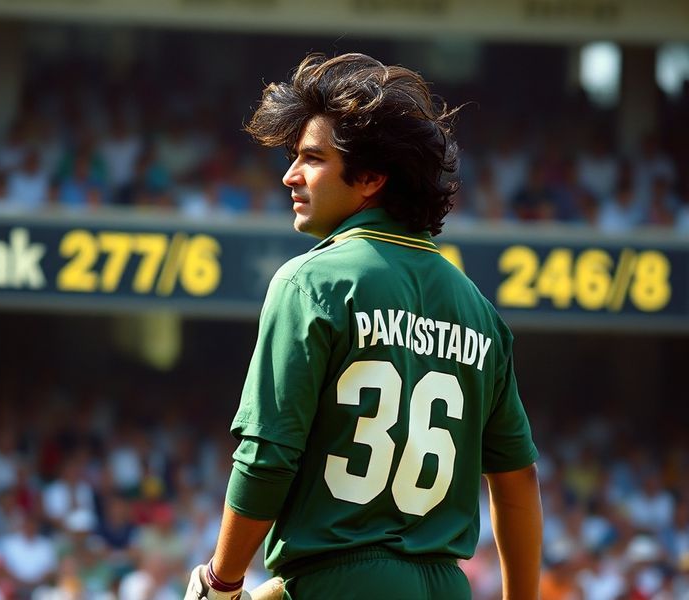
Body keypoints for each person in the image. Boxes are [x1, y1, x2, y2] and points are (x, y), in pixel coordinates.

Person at [184, 52, 542, 600]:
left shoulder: (311, 282)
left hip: (340, 583)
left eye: (312, 158)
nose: (290, 175)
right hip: (447, 587)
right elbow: (516, 481)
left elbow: (269, 454)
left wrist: (222, 582)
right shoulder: (478, 310)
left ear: (372, 177)